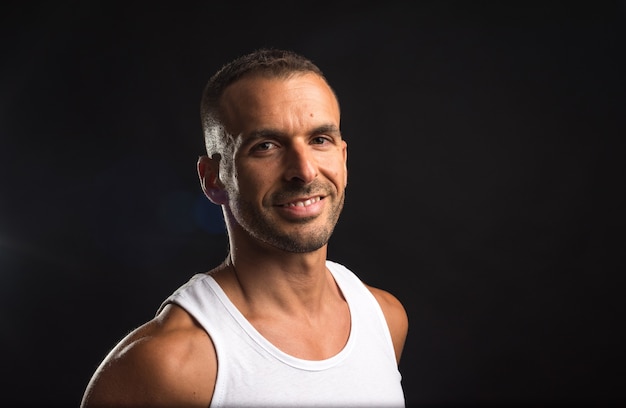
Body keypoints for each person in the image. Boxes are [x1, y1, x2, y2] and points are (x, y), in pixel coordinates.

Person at [80, 47, 409, 408]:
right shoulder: (168, 363)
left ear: (343, 160)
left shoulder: (385, 318)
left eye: (319, 140)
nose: (305, 170)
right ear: (213, 179)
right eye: (265, 146)